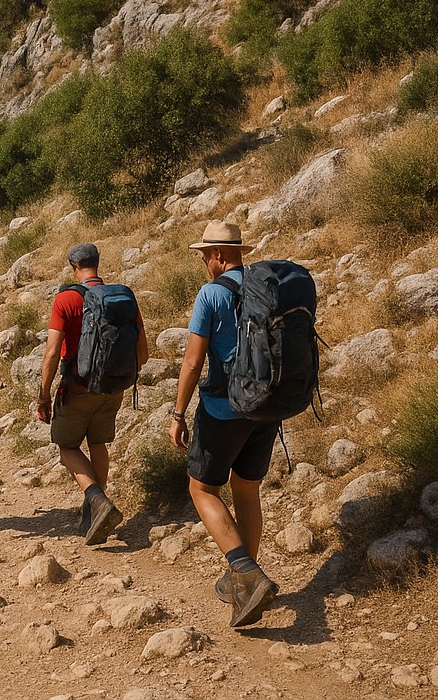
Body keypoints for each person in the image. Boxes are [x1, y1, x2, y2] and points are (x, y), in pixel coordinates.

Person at [170, 220, 280, 628]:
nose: (204, 263)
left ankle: (246, 573)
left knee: (201, 489)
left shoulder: (212, 293)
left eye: (204, 256)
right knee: (247, 492)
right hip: (268, 407)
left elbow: (193, 362)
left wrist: (178, 413)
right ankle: (244, 582)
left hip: (224, 409)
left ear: (218, 255)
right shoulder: (266, 286)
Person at [36, 242, 147, 545]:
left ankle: (98, 501)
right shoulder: (122, 297)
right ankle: (95, 513)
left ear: (73, 266)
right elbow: (144, 352)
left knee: (67, 447)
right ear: (98, 263)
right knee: (98, 443)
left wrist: (43, 395)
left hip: (77, 388)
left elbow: (50, 354)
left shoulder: (66, 299)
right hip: (114, 387)